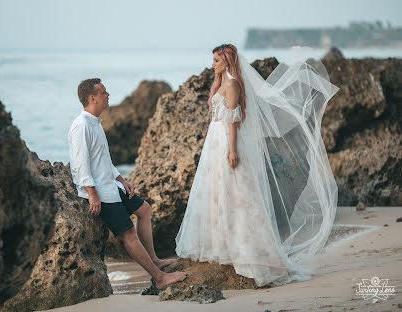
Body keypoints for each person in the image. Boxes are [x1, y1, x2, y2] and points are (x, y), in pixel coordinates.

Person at [175, 44, 340, 287]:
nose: (213, 64)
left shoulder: (232, 85)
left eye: (217, 60)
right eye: (212, 60)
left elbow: (233, 120)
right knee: (218, 192)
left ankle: (252, 252)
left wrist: (232, 150)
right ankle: (224, 246)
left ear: (228, 61)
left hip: (227, 142)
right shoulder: (222, 83)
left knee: (240, 194)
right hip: (215, 140)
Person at [68, 78, 187, 289]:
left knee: (144, 209)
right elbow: (80, 164)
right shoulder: (81, 126)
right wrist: (92, 194)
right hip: (100, 193)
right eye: (104, 92)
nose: (108, 95)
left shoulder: (95, 122)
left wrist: (120, 179)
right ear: (92, 98)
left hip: (111, 185)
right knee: (129, 234)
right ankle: (159, 278)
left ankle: (156, 260)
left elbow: (102, 158)